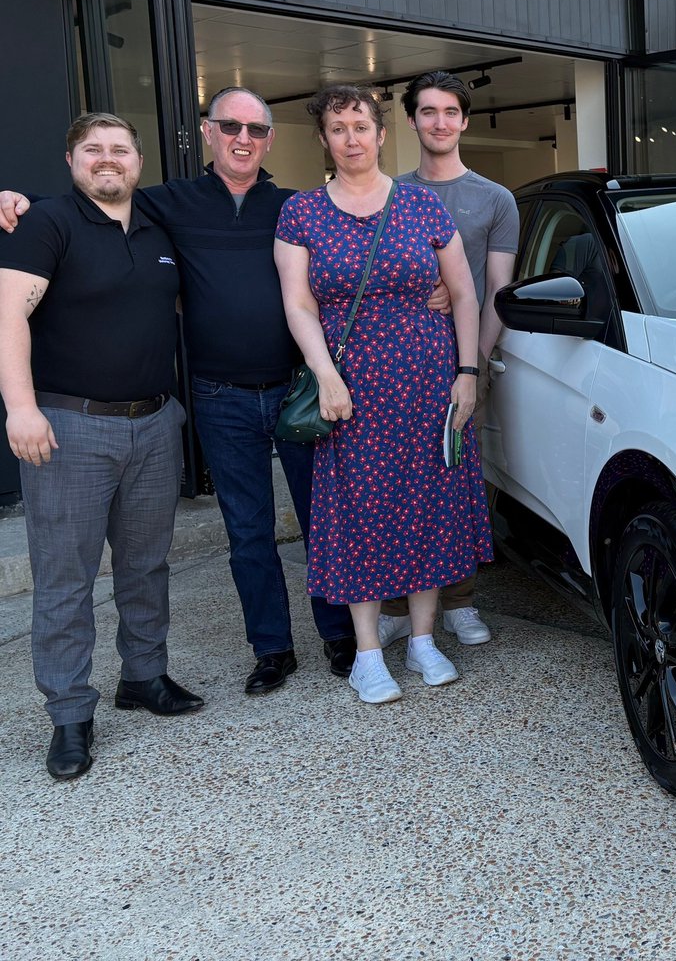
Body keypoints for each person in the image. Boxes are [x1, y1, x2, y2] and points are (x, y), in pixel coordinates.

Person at [0, 87, 360, 696]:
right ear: (208, 133)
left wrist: (431, 290)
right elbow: (96, 199)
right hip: (219, 396)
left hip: (297, 390)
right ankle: (272, 649)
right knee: (248, 532)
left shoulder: (297, 206)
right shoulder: (172, 202)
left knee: (325, 520)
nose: (242, 139)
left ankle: (341, 637)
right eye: (230, 127)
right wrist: (20, 201)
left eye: (255, 130)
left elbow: (356, 256)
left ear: (269, 140)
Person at [0, 113, 203, 780]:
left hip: (153, 423)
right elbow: (8, 317)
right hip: (71, 428)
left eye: (120, 149)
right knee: (66, 578)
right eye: (95, 150)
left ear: (140, 162)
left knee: (146, 565)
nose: (108, 159)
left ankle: (144, 676)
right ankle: (69, 714)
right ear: (71, 159)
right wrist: (21, 409)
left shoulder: (157, 228)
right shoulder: (47, 223)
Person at [274, 84, 493, 703]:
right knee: (359, 511)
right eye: (338, 128)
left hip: (429, 383)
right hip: (352, 390)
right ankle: (368, 652)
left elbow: (466, 293)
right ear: (324, 138)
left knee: (427, 503)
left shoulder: (422, 205)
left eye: (361, 126)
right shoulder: (303, 213)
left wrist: (467, 373)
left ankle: (423, 639)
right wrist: (325, 374)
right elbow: (297, 303)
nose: (351, 138)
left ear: (380, 134)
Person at [375, 70, 519, 652]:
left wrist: (475, 365)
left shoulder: (494, 199)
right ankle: (392, 604)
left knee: (456, 480)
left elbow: (496, 290)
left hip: (459, 361)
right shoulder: (385, 195)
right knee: (390, 481)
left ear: (463, 120)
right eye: (428, 112)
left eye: (450, 112)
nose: (439, 122)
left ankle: (459, 599)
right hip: (391, 364)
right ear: (411, 121)